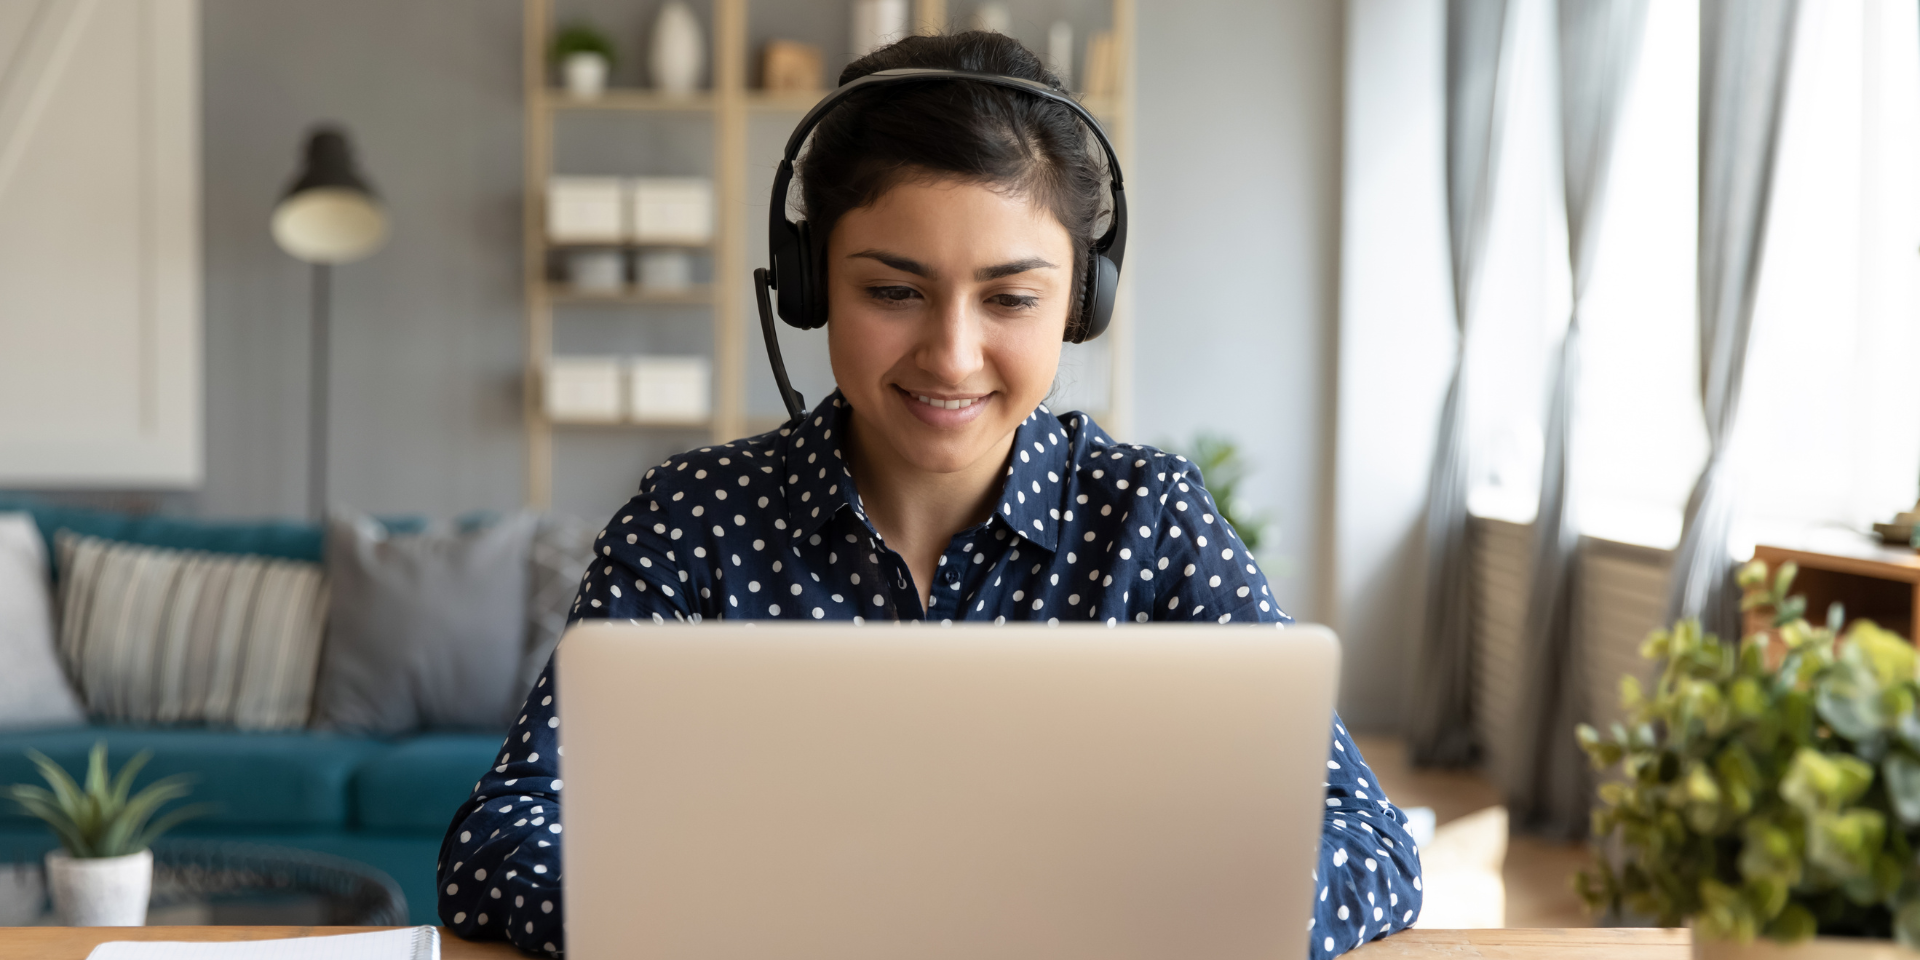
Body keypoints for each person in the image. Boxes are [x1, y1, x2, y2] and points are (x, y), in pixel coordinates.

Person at [438, 31, 1423, 959]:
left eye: (1010, 298)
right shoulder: (694, 520)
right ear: (808, 282)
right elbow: (501, 839)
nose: (952, 356)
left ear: (1083, 303)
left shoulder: (1149, 523)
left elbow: (1365, 839)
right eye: (893, 291)